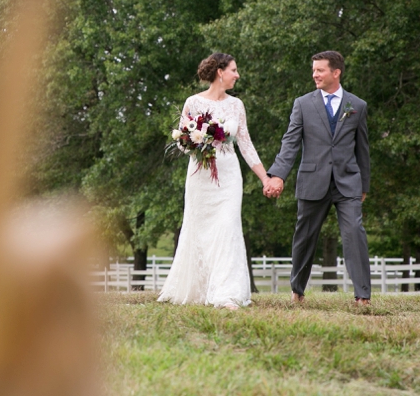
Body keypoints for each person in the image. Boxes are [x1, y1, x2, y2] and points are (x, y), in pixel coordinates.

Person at [158, 53, 269, 310]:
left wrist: (265, 177)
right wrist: (197, 141)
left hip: (229, 176)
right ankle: (197, 289)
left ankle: (226, 293)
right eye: (234, 70)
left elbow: (246, 144)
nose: (237, 75)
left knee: (228, 227)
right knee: (197, 229)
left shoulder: (236, 105)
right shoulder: (192, 103)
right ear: (220, 72)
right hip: (200, 176)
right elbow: (182, 144)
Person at [266, 51, 372, 305]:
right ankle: (297, 290)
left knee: (354, 232)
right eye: (314, 70)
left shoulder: (357, 105)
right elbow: (290, 143)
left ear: (336, 72)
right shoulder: (303, 104)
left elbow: (363, 149)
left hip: (348, 182)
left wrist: (364, 185)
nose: (314, 74)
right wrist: (278, 174)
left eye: (320, 70)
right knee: (305, 236)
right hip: (313, 181)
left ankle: (362, 296)